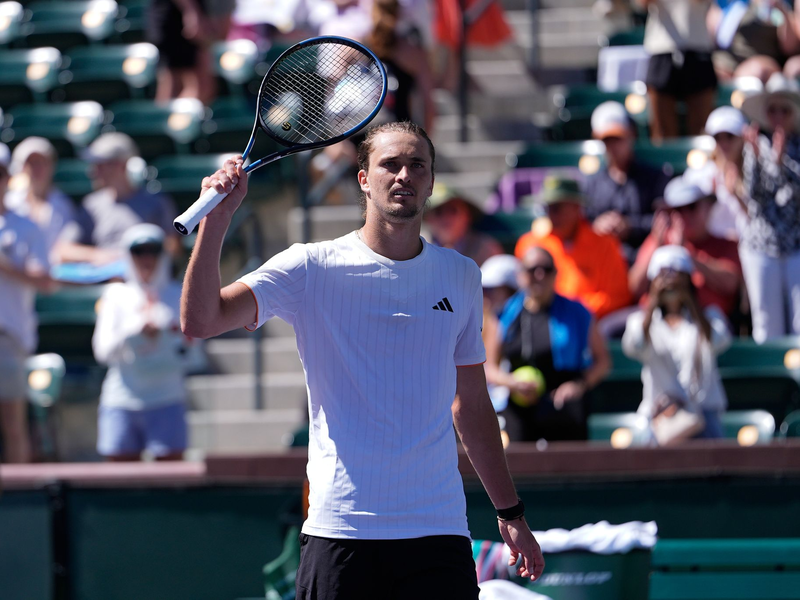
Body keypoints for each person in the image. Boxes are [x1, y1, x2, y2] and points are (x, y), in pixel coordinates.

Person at [181, 121, 544, 598]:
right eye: (390, 164)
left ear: (431, 181)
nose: (404, 176)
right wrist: (217, 222)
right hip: (341, 533)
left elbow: (472, 406)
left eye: (417, 165)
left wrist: (510, 512)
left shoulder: (461, 276)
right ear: (363, 179)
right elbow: (201, 320)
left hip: (438, 533)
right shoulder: (309, 266)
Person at [485, 247, 611, 442]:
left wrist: (579, 385)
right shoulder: (505, 315)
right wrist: (512, 383)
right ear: (521, 275)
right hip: (520, 404)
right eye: (532, 269)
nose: (539, 275)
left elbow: (602, 361)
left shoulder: (578, 312)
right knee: (517, 464)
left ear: (555, 274)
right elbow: (489, 367)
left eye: (546, 269)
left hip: (566, 403)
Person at [93, 224, 189, 461]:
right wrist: (134, 331)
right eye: (138, 251)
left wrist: (166, 330)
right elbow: (102, 352)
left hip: (168, 397)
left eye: (153, 250)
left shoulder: (180, 294)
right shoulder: (114, 295)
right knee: (120, 485)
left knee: (172, 484)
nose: (146, 258)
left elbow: (193, 348)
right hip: (121, 399)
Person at [622, 245, 731, 441]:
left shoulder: (710, 317)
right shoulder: (640, 322)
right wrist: (652, 301)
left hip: (703, 416)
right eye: (662, 277)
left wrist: (691, 302)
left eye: (677, 276)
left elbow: (719, 341)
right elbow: (634, 346)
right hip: (659, 419)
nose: (669, 284)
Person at [0, 143, 55, 463]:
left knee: (13, 424)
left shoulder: (27, 227)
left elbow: (44, 281)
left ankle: (18, 502)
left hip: (9, 336)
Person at [515, 175, 632, 321]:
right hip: (538, 321)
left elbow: (617, 296)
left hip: (591, 324)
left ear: (577, 207)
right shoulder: (530, 244)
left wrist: (573, 312)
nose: (552, 214)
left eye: (557, 207)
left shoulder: (605, 245)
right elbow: (521, 293)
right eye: (548, 208)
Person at [739, 72, 800, 341]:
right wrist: (757, 158)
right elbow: (756, 199)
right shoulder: (755, 146)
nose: (777, 116)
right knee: (766, 325)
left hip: (796, 244)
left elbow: (793, 195)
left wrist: (779, 163)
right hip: (762, 246)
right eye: (772, 110)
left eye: (784, 110)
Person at [59, 133, 179, 265]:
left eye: (101, 164)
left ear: (123, 166)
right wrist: (98, 256)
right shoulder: (91, 205)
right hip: (103, 282)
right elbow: (64, 250)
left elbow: (173, 249)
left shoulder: (157, 202)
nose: (93, 172)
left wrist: (136, 258)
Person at [629, 177, 741, 319]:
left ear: (707, 207)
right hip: (658, 323)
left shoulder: (726, 244)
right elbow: (634, 288)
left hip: (706, 325)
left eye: (692, 207)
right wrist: (657, 248)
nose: (685, 215)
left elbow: (731, 284)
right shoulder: (658, 241)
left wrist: (685, 254)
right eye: (677, 210)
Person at [584, 101, 670, 261]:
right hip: (601, 259)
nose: (613, 146)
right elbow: (582, 221)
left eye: (618, 138)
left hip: (646, 257)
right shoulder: (591, 184)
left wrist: (630, 227)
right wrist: (597, 225)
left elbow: (664, 220)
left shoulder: (654, 177)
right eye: (607, 140)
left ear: (631, 134)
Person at [638, 0, 717, 140]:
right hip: (661, 49)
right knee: (663, 134)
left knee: (701, 132)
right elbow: (642, 3)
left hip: (697, 48)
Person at [683, 106, 749, 242]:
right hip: (711, 249)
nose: (724, 143)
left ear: (742, 138)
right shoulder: (699, 174)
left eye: (730, 136)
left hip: (747, 247)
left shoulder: (756, 174)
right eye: (718, 137)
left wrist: (736, 196)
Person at [368, 0, 435, 132]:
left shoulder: (359, 44)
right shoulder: (412, 51)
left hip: (366, 135)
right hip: (401, 134)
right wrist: (426, 142)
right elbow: (429, 103)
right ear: (399, 12)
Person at [5, 137, 76, 263]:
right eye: (31, 163)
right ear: (21, 167)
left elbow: (66, 245)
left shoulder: (64, 204)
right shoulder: (9, 202)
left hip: (55, 274)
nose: (37, 169)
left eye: (42, 162)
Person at [708, 0, 800, 83]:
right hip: (725, 59)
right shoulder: (735, 4)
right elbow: (713, 34)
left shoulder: (783, 6)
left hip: (756, 61)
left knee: (755, 73)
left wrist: (782, 10)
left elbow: (789, 47)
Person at [424, 183, 502, 266]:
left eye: (453, 210)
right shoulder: (416, 246)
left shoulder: (487, 249)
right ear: (428, 218)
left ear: (467, 215)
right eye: (439, 212)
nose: (446, 217)